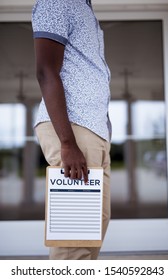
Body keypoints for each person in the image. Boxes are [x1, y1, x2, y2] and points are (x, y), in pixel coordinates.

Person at [32, 0, 111, 260]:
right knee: (73, 244)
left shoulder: (84, 8)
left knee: (92, 232)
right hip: (73, 129)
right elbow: (45, 70)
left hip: (92, 130)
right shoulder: (58, 1)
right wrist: (67, 143)